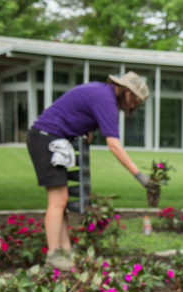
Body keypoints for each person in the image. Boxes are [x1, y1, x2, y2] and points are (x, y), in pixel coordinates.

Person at [26, 71, 155, 269]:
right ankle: (53, 256)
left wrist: (84, 128)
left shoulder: (102, 92)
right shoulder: (106, 100)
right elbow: (114, 145)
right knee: (57, 200)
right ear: (127, 92)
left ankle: (67, 252)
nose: (133, 105)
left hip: (51, 139)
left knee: (62, 200)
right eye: (135, 100)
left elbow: (75, 109)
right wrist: (140, 177)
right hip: (46, 139)